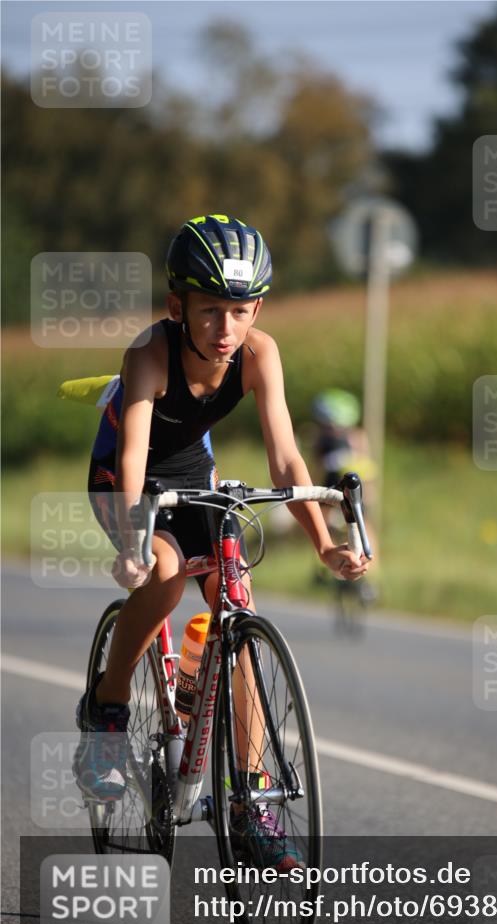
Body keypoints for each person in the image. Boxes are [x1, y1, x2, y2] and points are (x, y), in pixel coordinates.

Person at [75, 214, 371, 868]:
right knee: (161, 573)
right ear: (177, 306)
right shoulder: (148, 354)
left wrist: (324, 545)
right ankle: (109, 705)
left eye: (240, 312)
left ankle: (254, 801)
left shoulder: (259, 353)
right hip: (126, 477)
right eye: (210, 312)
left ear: (257, 308)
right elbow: (130, 458)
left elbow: (287, 461)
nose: (225, 330)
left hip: (193, 477)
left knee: (239, 611)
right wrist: (130, 534)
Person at [311, 389, 379, 603]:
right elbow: (315, 469)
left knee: (363, 528)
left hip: (347, 489)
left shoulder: (350, 438)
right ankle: (325, 565)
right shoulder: (329, 440)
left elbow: (366, 467)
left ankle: (368, 579)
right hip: (339, 488)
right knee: (322, 522)